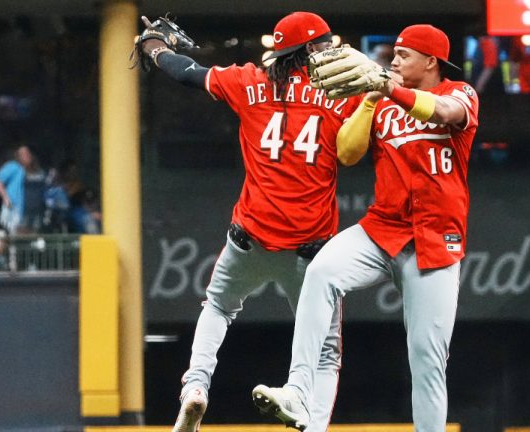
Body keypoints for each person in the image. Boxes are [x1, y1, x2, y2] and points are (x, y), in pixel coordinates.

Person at [138, 11, 362, 432]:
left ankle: (197, 388)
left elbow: (186, 73)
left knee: (219, 307)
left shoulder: (249, 81)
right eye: (324, 43)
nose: (331, 50)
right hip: (310, 254)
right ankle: (313, 426)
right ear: (310, 49)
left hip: (249, 240)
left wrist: (154, 47)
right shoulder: (343, 94)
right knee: (327, 351)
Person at [252, 24, 480, 432]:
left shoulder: (458, 92)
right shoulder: (382, 100)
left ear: (430, 61)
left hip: (435, 241)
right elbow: (346, 152)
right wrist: (372, 99)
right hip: (382, 229)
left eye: (404, 54)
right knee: (320, 273)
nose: (393, 60)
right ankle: (298, 392)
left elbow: (446, 114)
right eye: (393, 53)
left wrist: (389, 89)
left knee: (427, 360)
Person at [0, 145, 33, 234]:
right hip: (13, 208)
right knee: (14, 235)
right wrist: (5, 197)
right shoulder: (13, 166)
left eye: (28, 153)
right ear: (18, 156)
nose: (27, 156)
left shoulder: (33, 170)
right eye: (24, 154)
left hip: (28, 211)